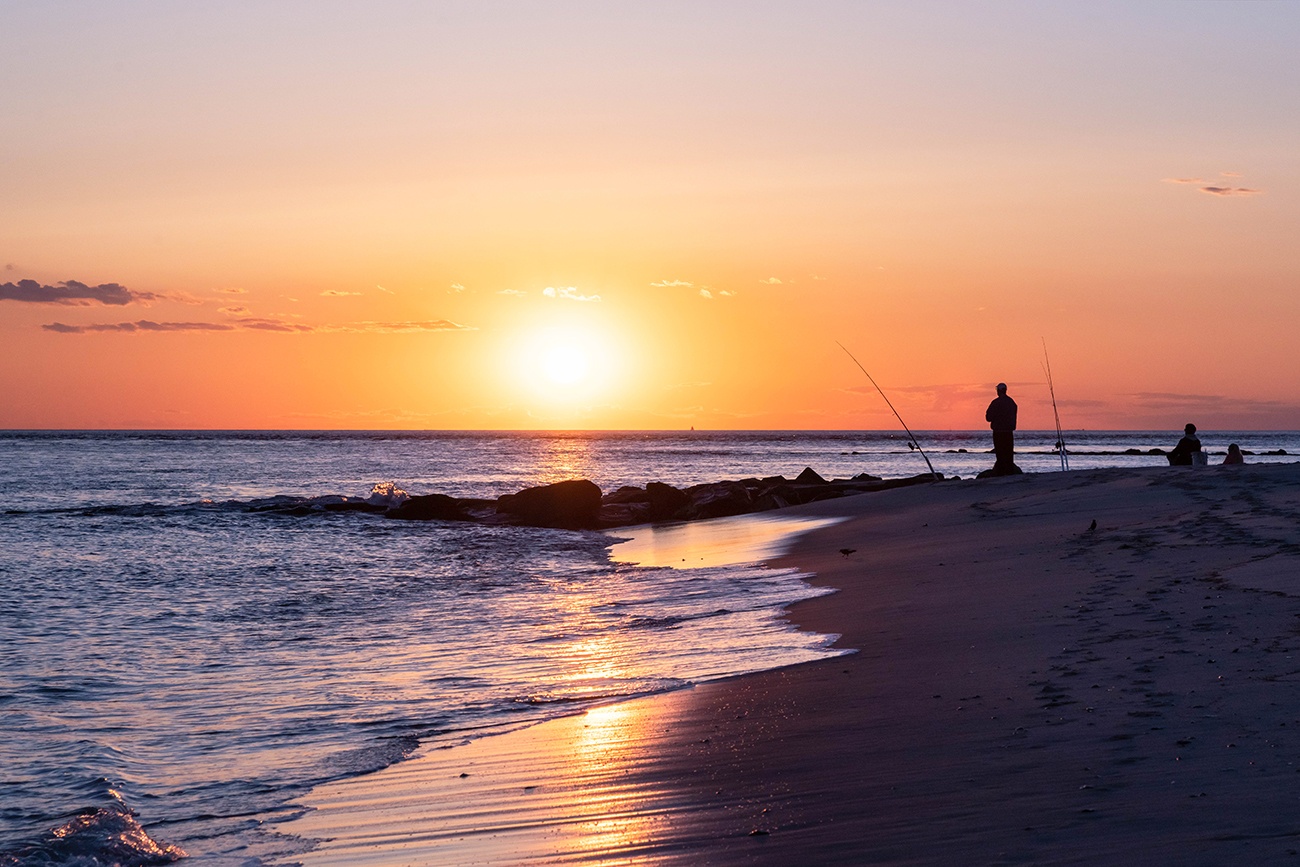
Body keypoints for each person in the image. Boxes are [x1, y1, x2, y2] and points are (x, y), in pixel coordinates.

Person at [984, 382, 1021, 475]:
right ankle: (1009, 472)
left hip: (998, 432)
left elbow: (988, 417)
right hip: (1009, 432)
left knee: (1000, 454)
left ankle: (1001, 472)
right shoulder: (1012, 402)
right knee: (1009, 453)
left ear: (998, 391)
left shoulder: (995, 403)